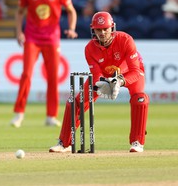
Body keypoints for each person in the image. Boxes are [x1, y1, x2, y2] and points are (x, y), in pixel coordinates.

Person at [49, 11, 149, 153]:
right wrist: (104, 85)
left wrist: (119, 81)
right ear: (93, 30)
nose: (102, 33)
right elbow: (96, 75)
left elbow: (135, 70)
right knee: (75, 102)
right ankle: (64, 143)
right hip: (104, 77)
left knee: (140, 99)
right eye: (98, 30)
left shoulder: (126, 40)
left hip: (128, 74)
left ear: (112, 28)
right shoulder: (89, 49)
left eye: (105, 29)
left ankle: (137, 142)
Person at [10, 0, 78, 128]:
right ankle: (19, 114)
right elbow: (19, 13)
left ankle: (51, 115)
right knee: (26, 74)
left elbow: (71, 11)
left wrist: (71, 28)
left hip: (51, 38)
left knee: (53, 77)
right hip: (32, 38)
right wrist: (19, 32)